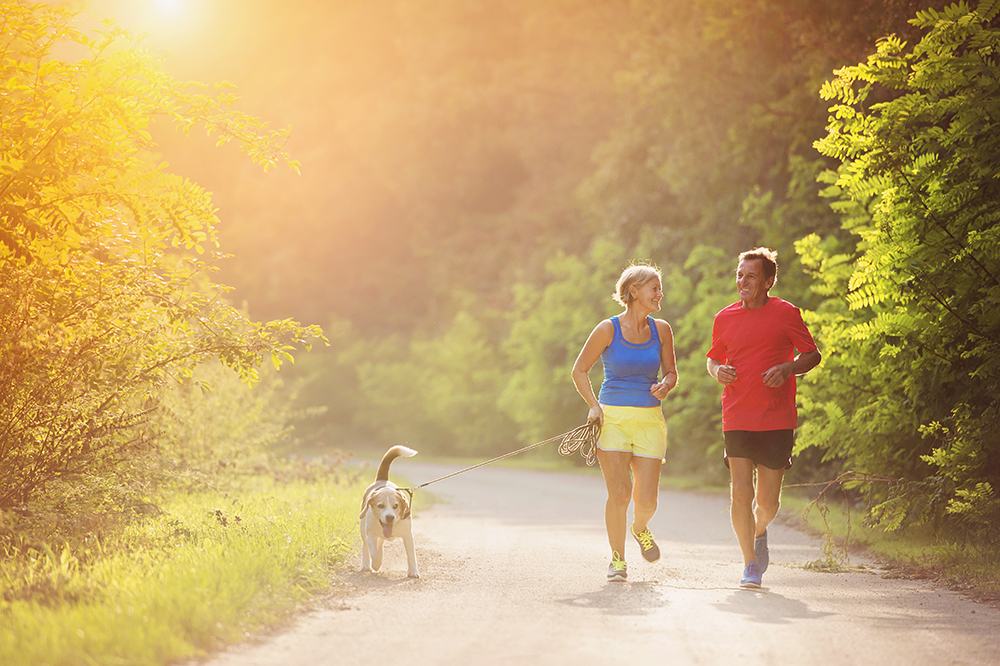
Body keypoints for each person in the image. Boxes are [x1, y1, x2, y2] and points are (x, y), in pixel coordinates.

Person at [706, 247, 821, 588]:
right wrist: (717, 371)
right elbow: (712, 358)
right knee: (740, 492)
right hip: (737, 413)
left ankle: (760, 531)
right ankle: (749, 564)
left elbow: (812, 354)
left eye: (751, 276)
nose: (743, 281)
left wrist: (788, 368)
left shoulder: (786, 314)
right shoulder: (724, 317)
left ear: (768, 281)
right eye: (740, 275)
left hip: (776, 417)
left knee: (767, 503)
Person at [572, 263, 678, 582]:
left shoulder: (662, 329)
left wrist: (667, 384)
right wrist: (594, 406)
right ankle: (617, 559)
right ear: (634, 292)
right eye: (654, 288)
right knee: (619, 493)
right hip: (612, 419)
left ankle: (640, 528)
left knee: (646, 500)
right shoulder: (607, 329)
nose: (660, 294)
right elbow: (579, 370)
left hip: (649, 420)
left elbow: (671, 371)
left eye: (660, 289)